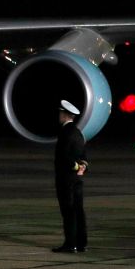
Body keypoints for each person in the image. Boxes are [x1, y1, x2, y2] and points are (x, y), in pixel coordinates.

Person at [53, 99, 89, 253]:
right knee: (79, 210)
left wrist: (75, 166)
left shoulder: (65, 133)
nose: (59, 116)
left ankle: (70, 244)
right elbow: (84, 156)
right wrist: (82, 167)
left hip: (66, 178)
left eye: (61, 113)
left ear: (65, 115)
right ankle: (81, 243)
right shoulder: (78, 132)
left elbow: (64, 157)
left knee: (68, 211)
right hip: (78, 179)